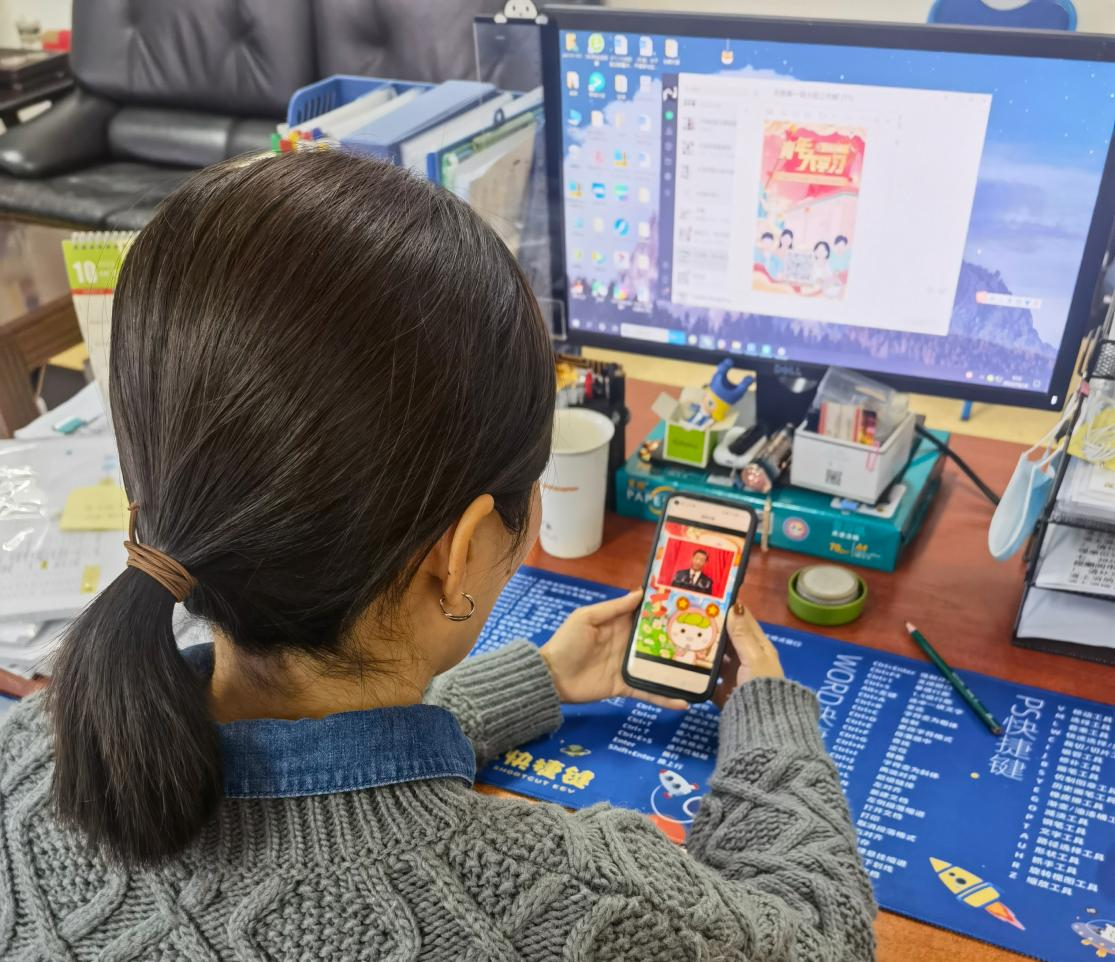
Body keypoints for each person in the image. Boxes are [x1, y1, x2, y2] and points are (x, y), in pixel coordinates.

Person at [0, 152, 875, 959]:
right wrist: (768, 720)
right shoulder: (567, 905)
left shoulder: (31, 755)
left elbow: (315, 779)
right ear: (456, 557)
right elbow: (821, 939)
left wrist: (534, 679)